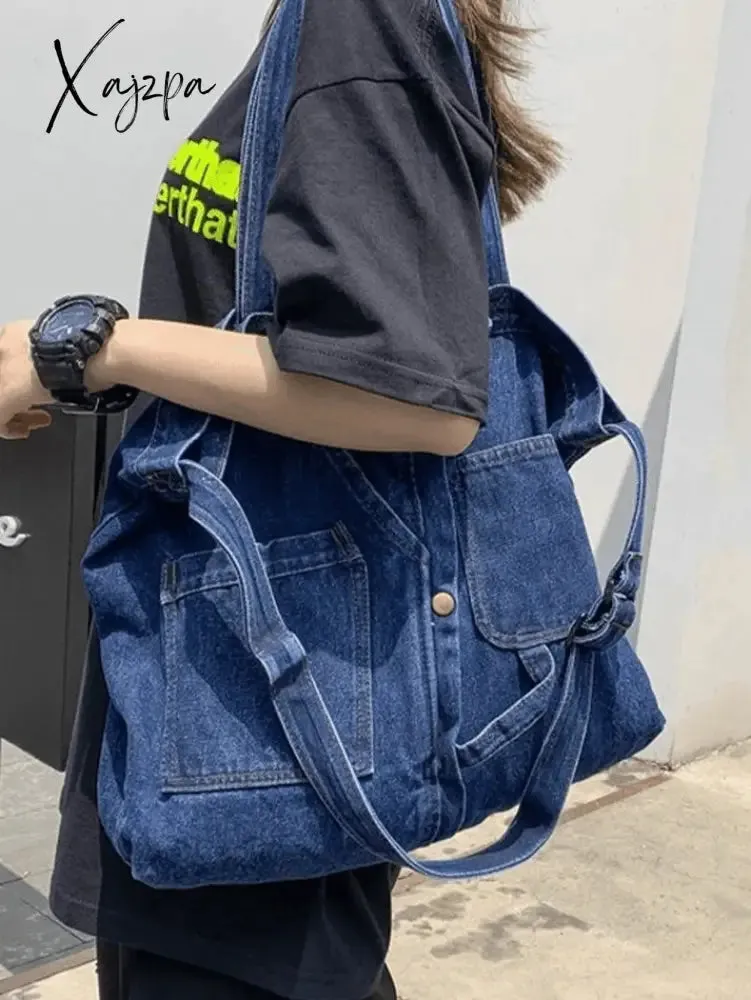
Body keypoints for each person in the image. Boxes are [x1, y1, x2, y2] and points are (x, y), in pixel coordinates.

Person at [0, 0, 560, 996]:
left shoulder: (359, 14)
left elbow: (411, 390)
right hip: (240, 679)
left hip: (267, 696)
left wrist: (85, 350)